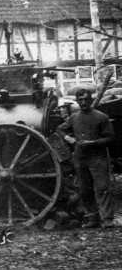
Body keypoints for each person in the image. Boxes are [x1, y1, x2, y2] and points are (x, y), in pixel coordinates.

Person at [57, 89, 116, 228]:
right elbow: (59, 129)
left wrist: (93, 142)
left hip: (98, 157)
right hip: (80, 158)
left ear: (90, 100)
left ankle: (108, 219)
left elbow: (111, 138)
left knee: (102, 188)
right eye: (80, 100)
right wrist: (69, 139)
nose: (83, 102)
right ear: (77, 101)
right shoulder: (73, 118)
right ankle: (92, 219)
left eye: (86, 99)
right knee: (85, 189)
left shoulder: (101, 117)